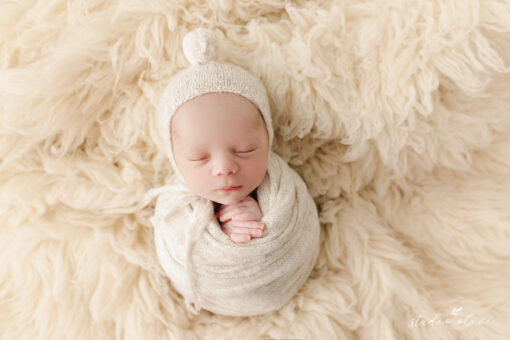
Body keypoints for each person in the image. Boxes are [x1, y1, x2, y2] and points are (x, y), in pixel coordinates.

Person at [170, 91, 269, 243]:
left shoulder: (285, 190)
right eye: (199, 157)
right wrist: (222, 233)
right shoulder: (172, 209)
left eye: (245, 150)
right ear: (175, 160)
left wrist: (263, 219)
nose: (224, 168)